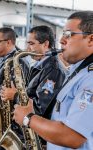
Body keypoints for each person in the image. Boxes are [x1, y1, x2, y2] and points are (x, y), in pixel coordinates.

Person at [13, 11, 93, 150]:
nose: (61, 40)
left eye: (68, 34)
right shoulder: (78, 71)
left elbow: (72, 136)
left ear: (91, 40)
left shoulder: (90, 78)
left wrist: (28, 118)